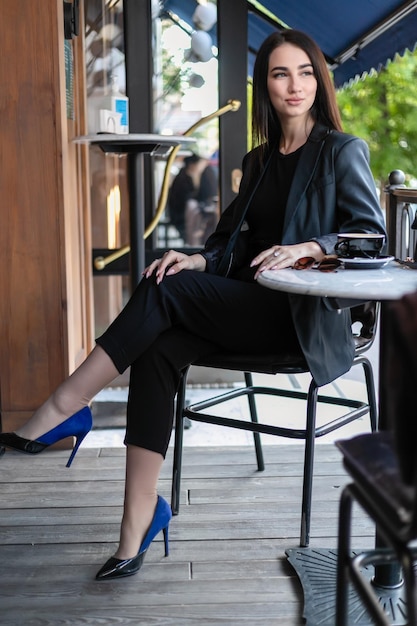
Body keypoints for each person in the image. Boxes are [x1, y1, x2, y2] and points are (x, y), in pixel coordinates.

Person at [0, 29, 386, 581]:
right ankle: (137, 521)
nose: (293, 85)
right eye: (280, 74)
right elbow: (232, 247)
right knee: (160, 340)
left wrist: (308, 246)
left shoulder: (341, 151)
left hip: (302, 322)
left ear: (318, 81)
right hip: (252, 306)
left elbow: (369, 236)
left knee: (163, 289)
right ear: (266, 87)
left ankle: (65, 405)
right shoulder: (257, 163)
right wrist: (199, 260)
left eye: (304, 72)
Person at [168, 153, 202, 241]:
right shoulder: (183, 179)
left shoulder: (184, 176)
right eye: (198, 165)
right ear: (192, 165)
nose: (199, 169)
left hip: (181, 217)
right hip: (181, 218)